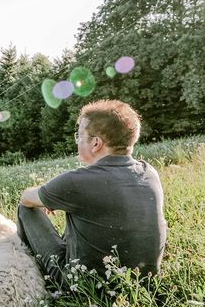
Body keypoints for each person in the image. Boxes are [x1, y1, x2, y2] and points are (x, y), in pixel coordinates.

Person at [17, 99, 167, 287]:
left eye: (79, 135)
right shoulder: (149, 172)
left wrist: (47, 197)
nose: (77, 141)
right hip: (142, 281)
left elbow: (26, 199)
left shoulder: (76, 181)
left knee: (25, 209)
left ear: (96, 143)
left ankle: (30, 274)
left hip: (84, 285)